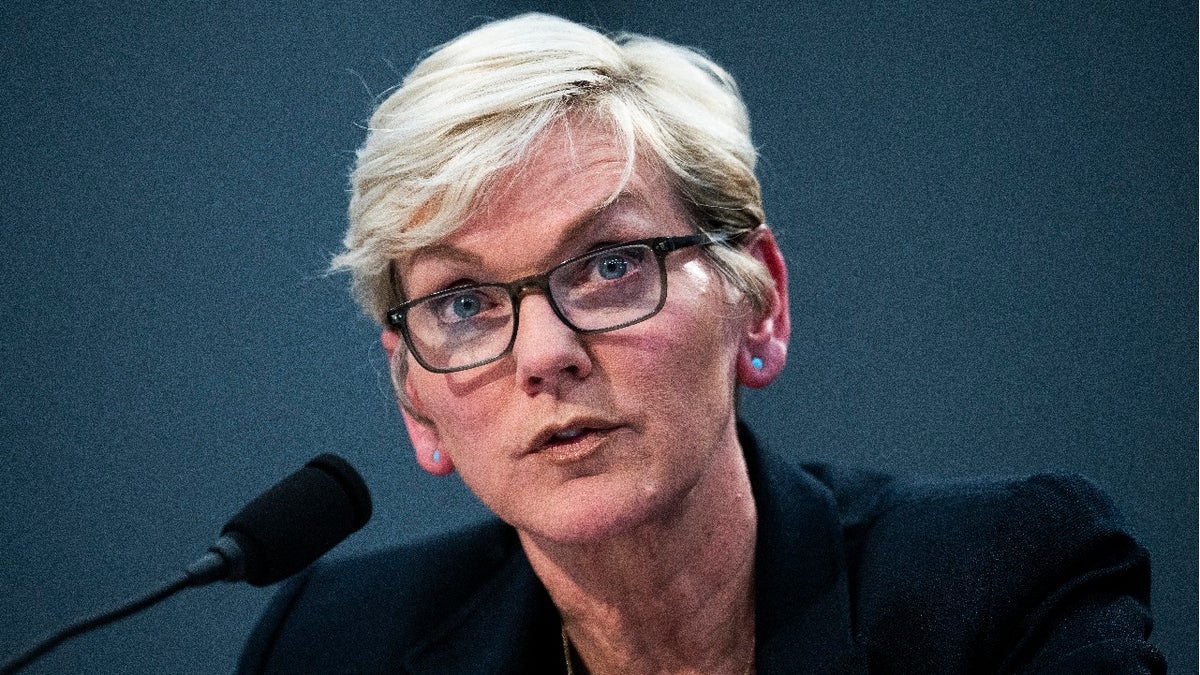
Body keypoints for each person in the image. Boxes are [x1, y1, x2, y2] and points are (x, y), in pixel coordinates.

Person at [238, 13, 1163, 674]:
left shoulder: (998, 587)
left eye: (609, 265)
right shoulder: (333, 643)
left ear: (756, 305)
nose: (544, 354)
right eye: (465, 303)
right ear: (415, 404)